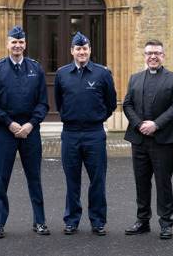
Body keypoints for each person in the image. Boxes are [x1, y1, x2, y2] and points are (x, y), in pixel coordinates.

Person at [0, 25, 50, 239]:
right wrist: (9, 123)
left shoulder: (36, 69)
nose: (17, 46)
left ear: (25, 45)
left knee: (35, 178)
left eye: (21, 42)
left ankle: (39, 221)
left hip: (30, 131)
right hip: (5, 130)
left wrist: (31, 124)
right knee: (1, 178)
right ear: (7, 44)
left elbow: (42, 103)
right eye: (14, 42)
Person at [54, 32, 117, 236]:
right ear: (72, 51)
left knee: (97, 179)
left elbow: (110, 103)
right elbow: (59, 101)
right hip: (70, 133)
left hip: (94, 133)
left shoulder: (102, 73)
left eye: (85, 48)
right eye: (78, 49)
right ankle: (71, 220)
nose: (82, 52)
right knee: (72, 180)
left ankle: (98, 221)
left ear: (90, 51)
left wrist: (96, 117)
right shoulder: (62, 74)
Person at [123, 39, 173, 240]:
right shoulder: (134, 78)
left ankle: (166, 223)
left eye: (157, 53)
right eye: (149, 53)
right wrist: (140, 124)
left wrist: (155, 125)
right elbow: (127, 105)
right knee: (141, 182)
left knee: (163, 182)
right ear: (144, 56)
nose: (153, 56)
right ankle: (142, 221)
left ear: (163, 56)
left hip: (162, 139)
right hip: (139, 139)